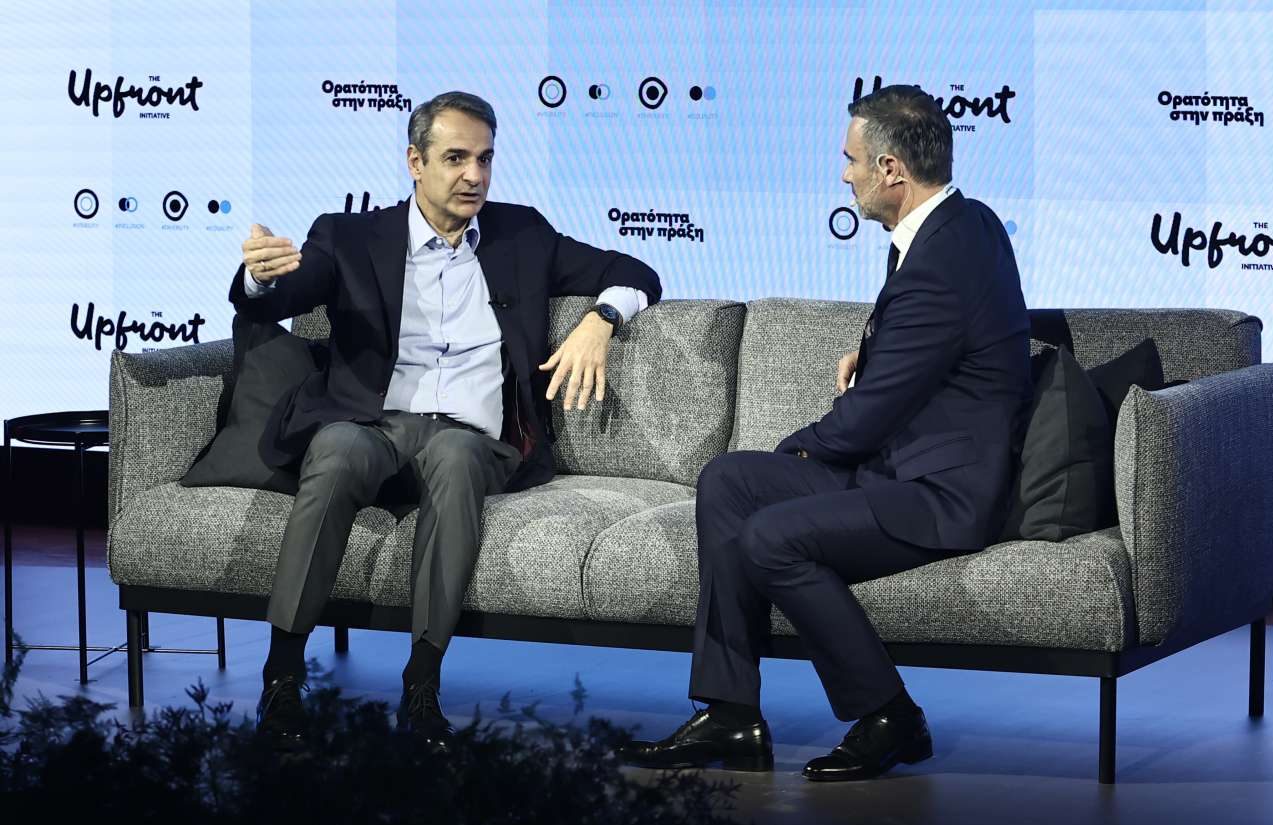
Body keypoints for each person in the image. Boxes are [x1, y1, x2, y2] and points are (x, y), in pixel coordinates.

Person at [620, 84, 1030, 781]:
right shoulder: (961, 224)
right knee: (728, 480)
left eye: (852, 160)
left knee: (770, 535)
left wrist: (800, 447)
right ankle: (729, 711)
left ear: (891, 169)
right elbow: (934, 352)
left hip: (940, 493)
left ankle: (889, 714)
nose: (845, 175)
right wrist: (872, 352)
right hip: (896, 468)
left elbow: (870, 412)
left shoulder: (941, 259)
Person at [234, 91, 661, 751]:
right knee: (337, 451)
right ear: (416, 162)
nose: (474, 176)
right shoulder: (348, 237)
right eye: (457, 158)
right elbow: (282, 294)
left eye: (485, 159)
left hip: (471, 436)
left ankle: (422, 684)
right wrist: (260, 280)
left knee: (457, 457)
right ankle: (283, 673)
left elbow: (635, 272)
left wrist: (600, 321)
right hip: (373, 426)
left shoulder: (522, 235)